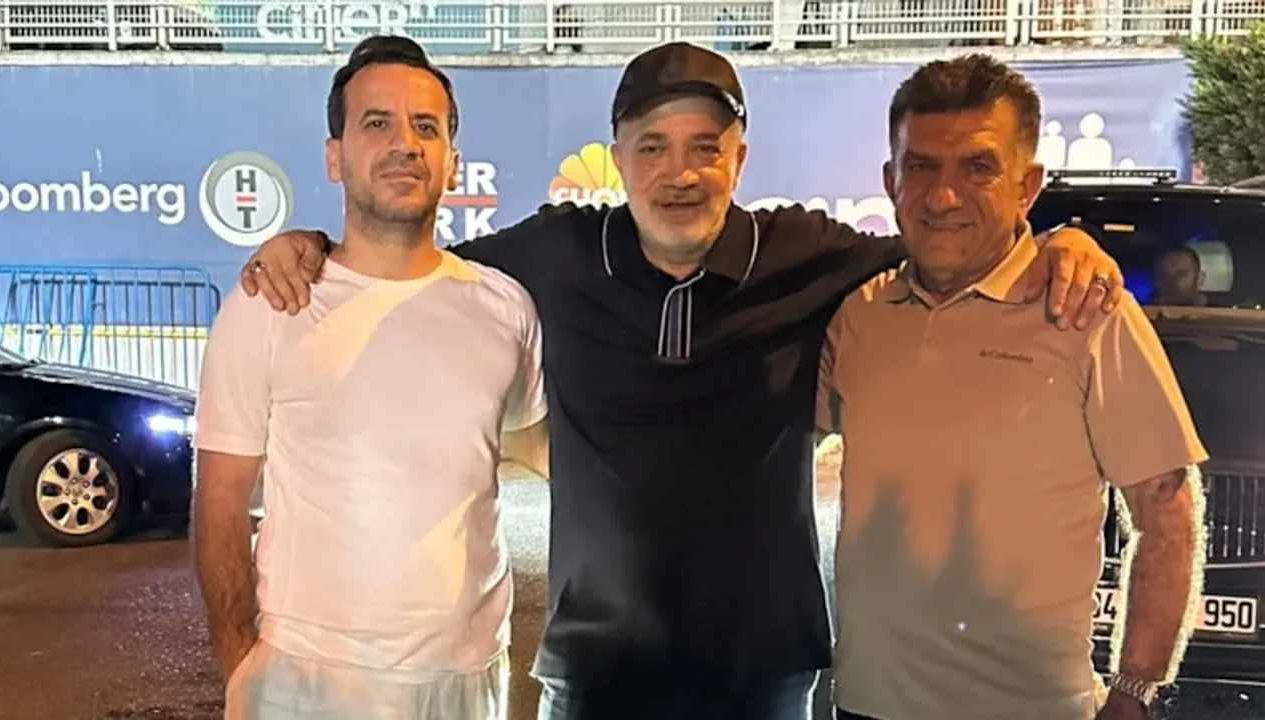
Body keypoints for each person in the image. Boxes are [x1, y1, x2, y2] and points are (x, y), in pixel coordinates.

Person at [236, 41, 1124, 719]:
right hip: (594, 673)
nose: (680, 173)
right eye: (653, 146)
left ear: (739, 157)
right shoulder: (556, 256)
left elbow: (952, 240)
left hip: (763, 675)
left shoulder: (804, 255)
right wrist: (308, 245)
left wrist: (1058, 241)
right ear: (618, 156)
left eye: (706, 146)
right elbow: (410, 260)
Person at [816, 54, 1207, 720]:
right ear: (890, 180)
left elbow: (1166, 509)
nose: (943, 197)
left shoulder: (1088, 312)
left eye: (978, 167)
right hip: (865, 705)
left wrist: (1136, 691)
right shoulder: (860, 317)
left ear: (1027, 187)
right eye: (922, 166)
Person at [191, 36, 548, 720]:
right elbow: (220, 500)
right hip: (306, 681)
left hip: (467, 680)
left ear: (452, 160)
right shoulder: (272, 303)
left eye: (426, 127)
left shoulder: (505, 307)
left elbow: (536, 449)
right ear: (336, 156)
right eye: (376, 123)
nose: (404, 144)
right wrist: (239, 661)